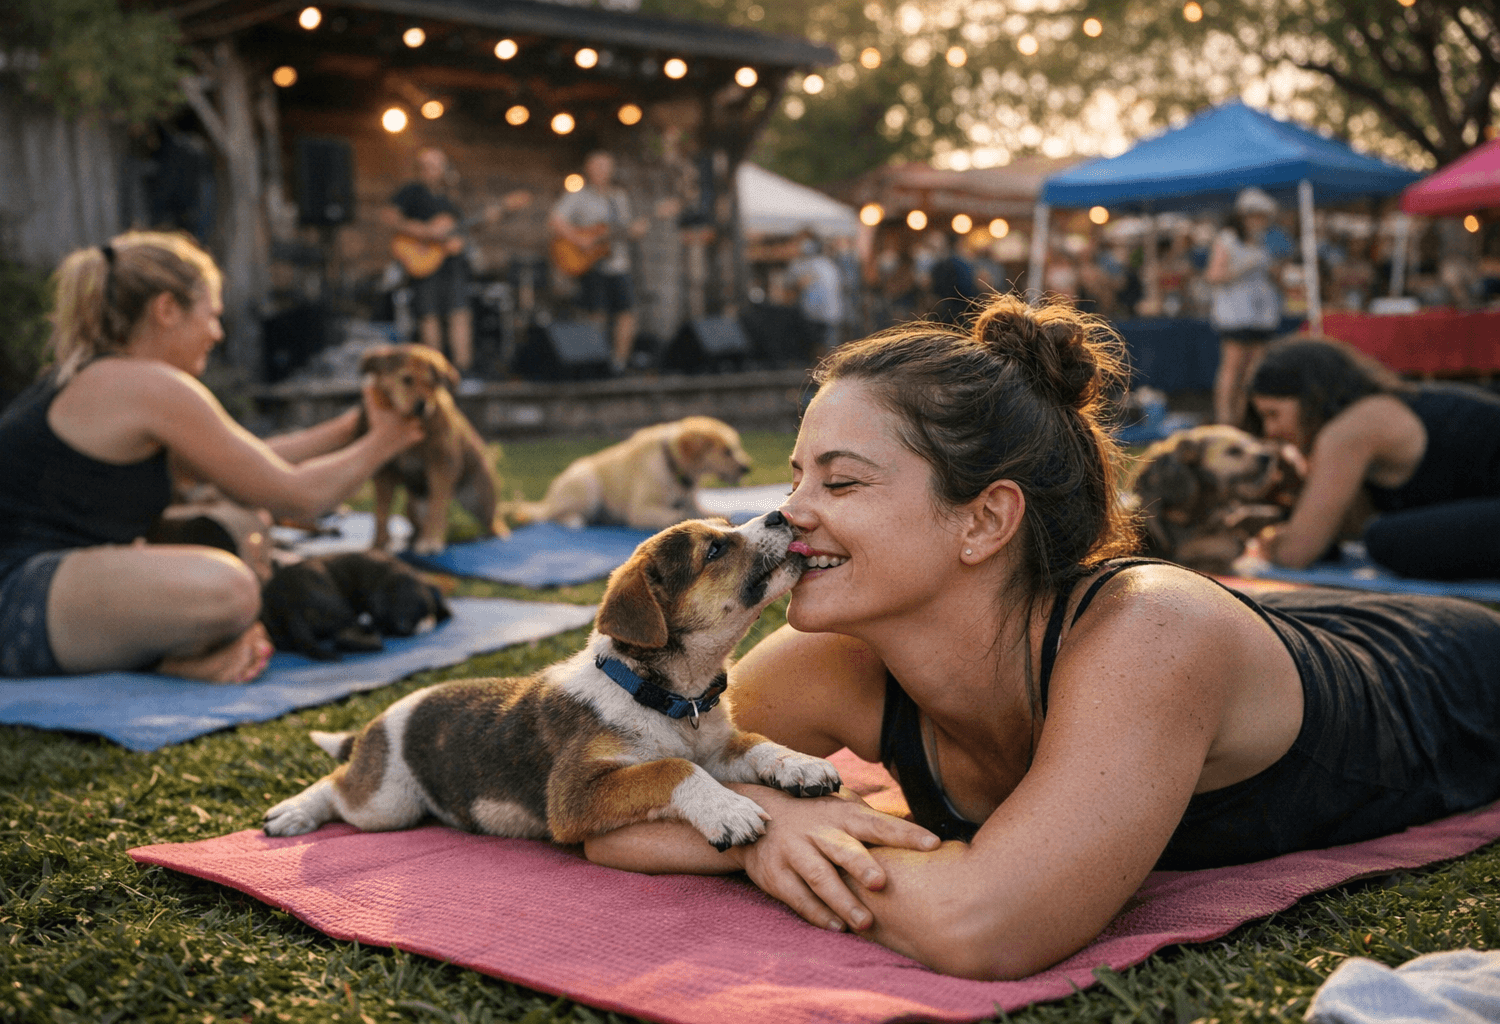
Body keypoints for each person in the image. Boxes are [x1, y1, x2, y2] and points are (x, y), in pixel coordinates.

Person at [582, 295, 1500, 980]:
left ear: (985, 521)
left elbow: (984, 924)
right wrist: (768, 822)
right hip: (1291, 629)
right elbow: (598, 793)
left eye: (843, 483)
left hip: (1456, 670)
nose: (789, 516)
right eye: (795, 479)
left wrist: (748, 825)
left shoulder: (1154, 632)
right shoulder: (844, 656)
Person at [0, 232, 424, 683]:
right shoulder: (146, 386)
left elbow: (254, 462)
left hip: (20, 592)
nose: (217, 333)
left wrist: (352, 428)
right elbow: (299, 498)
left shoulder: (108, 380)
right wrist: (389, 439)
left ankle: (175, 659)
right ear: (167, 310)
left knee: (237, 541)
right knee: (230, 587)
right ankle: (172, 662)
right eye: (211, 315)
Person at [1245, 336, 1500, 579]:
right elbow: (1349, 527)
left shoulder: (1351, 430)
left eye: (1273, 414)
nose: (1270, 431)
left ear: (1311, 400)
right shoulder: (1370, 413)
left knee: (1387, 540)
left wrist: (1261, 541)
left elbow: (1295, 553)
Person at [548, 151, 646, 373]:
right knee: (596, 313)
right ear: (589, 169)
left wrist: (634, 231)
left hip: (618, 263)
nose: (602, 171)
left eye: (606, 166)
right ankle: (595, 360)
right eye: (598, 166)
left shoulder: (618, 197)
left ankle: (619, 364)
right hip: (593, 264)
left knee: (626, 311)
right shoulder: (578, 196)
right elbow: (555, 220)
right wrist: (579, 239)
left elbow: (623, 229)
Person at [383, 148, 476, 371]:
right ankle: (435, 370)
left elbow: (457, 233)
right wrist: (425, 233)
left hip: (451, 265)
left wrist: (456, 241)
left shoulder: (450, 198)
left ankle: (463, 370)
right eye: (426, 166)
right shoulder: (411, 192)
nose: (431, 170)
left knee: (460, 313)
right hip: (423, 264)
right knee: (429, 316)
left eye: (436, 165)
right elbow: (389, 218)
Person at [1206, 187, 1283, 426]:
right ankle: (1225, 420)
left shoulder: (1263, 244)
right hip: (1236, 316)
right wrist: (1243, 268)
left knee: (1253, 371)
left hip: (1261, 315)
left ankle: (1243, 420)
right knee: (1233, 367)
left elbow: (1275, 279)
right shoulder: (1227, 239)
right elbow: (1214, 275)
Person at [788, 229, 845, 359]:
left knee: (825, 351)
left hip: (820, 316)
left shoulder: (817, 264)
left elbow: (801, 284)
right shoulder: (826, 264)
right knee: (829, 352)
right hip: (825, 315)